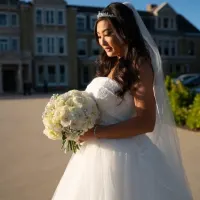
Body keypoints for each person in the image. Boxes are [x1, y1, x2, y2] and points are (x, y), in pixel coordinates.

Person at [52, 2, 193, 200]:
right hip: (92, 155)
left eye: (108, 33)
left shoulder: (139, 64)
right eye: (99, 36)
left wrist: (95, 133)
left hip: (124, 158)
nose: (102, 41)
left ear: (124, 30)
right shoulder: (111, 63)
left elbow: (146, 122)